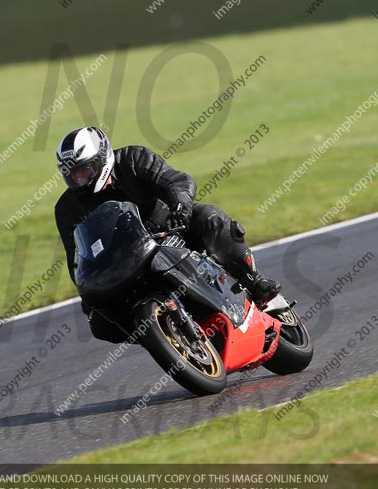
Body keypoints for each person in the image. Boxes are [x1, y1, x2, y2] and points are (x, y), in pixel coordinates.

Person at [54, 126, 281, 343]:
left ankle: (254, 281)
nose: (78, 178)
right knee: (101, 323)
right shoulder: (67, 208)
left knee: (209, 217)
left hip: (171, 231)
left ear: (102, 158)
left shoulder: (133, 159)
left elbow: (176, 180)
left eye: (84, 170)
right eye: (72, 174)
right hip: (124, 263)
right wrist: (87, 292)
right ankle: (163, 337)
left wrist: (180, 208)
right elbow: (75, 255)